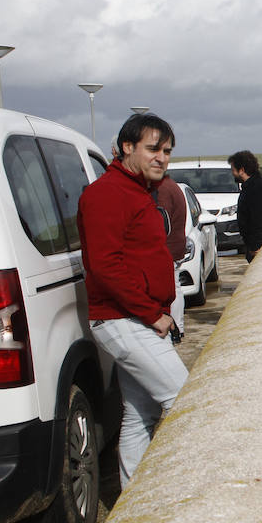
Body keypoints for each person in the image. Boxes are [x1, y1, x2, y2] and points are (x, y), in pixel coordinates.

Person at [78, 112, 189, 489]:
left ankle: (134, 498)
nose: (162, 157)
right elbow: (105, 266)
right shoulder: (107, 193)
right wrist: (152, 314)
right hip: (123, 320)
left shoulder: (137, 191)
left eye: (168, 151)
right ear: (128, 147)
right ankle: (180, 490)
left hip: (136, 318)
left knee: (139, 414)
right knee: (185, 400)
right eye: (153, 149)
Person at [155, 171, 188, 338]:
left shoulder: (162, 189)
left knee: (172, 290)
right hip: (175, 247)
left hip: (168, 248)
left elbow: (160, 219)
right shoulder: (173, 186)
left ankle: (175, 327)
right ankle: (178, 327)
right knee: (176, 288)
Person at [228, 149, 262, 262]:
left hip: (260, 248)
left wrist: (256, 246)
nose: (232, 173)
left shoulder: (257, 189)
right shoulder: (252, 186)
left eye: (233, 170)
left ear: (242, 170)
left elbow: (260, 220)